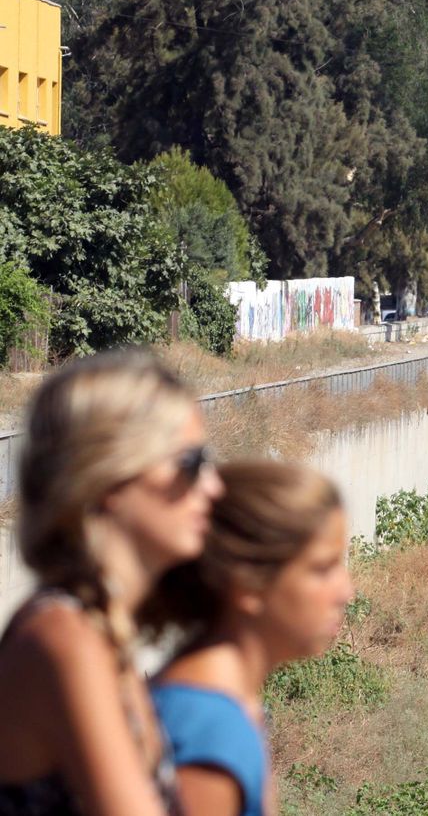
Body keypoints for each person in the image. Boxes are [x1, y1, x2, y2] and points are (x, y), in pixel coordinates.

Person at [0, 350, 222, 816]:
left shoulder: (97, 631)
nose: (213, 487)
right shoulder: (63, 638)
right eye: (190, 462)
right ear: (108, 478)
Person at [148, 462, 353, 816]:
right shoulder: (209, 733)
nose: (346, 592)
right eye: (323, 569)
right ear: (249, 583)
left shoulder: (231, 706)